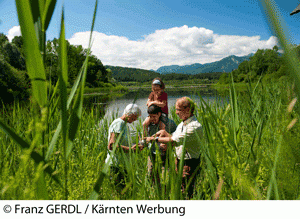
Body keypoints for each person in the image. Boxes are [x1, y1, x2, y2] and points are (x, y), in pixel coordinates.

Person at [144, 97, 202, 198]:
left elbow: (175, 141)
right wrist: (164, 133)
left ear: (187, 110)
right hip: (179, 161)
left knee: (188, 191)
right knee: (181, 188)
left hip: (189, 163)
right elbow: (173, 136)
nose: (176, 112)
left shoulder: (194, 126)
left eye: (178, 109)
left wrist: (154, 139)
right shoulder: (182, 124)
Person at [105, 103, 143, 190]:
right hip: (115, 166)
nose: (136, 119)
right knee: (119, 193)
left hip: (122, 165)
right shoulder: (119, 124)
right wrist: (130, 149)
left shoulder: (124, 125)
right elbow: (111, 145)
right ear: (129, 114)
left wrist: (134, 146)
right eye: (135, 117)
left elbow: (123, 143)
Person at [145, 104, 177, 176]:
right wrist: (144, 126)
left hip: (165, 154)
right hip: (152, 152)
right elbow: (146, 138)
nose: (152, 119)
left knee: (166, 175)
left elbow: (176, 137)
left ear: (159, 114)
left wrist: (168, 145)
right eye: (150, 116)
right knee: (150, 175)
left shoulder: (169, 123)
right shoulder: (149, 124)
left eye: (154, 116)